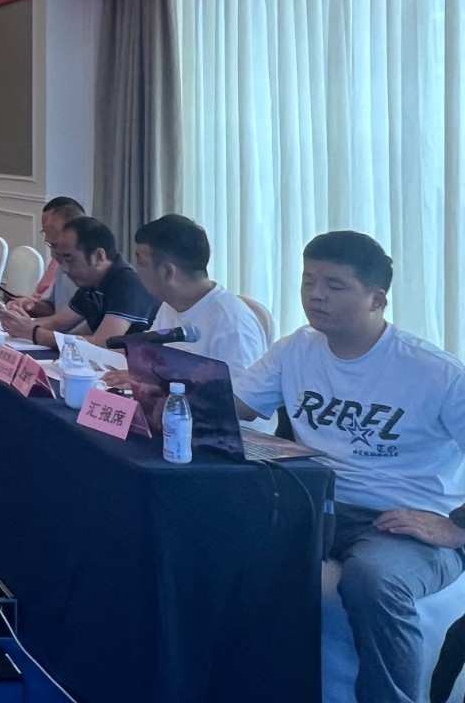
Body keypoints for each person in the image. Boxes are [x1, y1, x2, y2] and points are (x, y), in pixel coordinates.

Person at [234, 232, 465, 703]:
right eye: (308, 281)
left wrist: (457, 528)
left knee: (373, 581)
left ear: (377, 299)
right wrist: (162, 384)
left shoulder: (434, 372)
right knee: (213, 538)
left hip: (400, 521)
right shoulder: (296, 350)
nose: (315, 295)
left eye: (334, 285)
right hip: (315, 507)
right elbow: (235, 404)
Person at [131, 214, 268, 375]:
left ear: (168, 272)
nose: (136, 270)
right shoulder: (170, 306)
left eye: (142, 264)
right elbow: (151, 360)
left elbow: (241, 390)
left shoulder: (233, 326)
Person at [0, 216, 158, 348]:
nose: (64, 269)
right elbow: (58, 322)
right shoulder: (92, 282)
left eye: (70, 259)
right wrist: (17, 324)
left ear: (99, 256)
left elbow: (104, 342)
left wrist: (33, 333)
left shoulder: (128, 282)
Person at [10, 196, 85, 316]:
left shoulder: (93, 274)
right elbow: (53, 308)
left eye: (54, 244)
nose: (53, 254)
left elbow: (63, 323)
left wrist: (32, 326)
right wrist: (31, 305)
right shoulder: (62, 263)